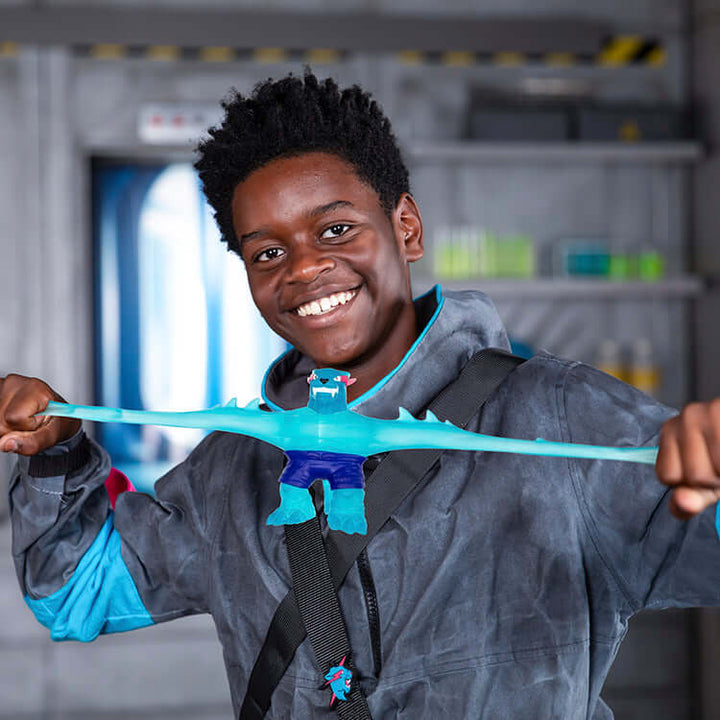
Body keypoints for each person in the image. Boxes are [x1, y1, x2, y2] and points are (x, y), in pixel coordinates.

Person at [2, 71, 720, 719]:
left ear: (404, 227)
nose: (307, 268)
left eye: (336, 228)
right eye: (268, 253)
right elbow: (78, 593)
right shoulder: (231, 469)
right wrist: (57, 451)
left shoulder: (559, 418)